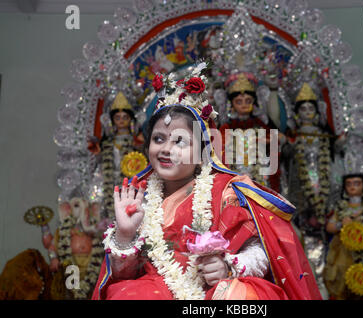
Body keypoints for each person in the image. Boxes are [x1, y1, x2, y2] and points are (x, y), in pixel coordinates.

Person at [91, 68, 321, 300]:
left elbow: (263, 252)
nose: (166, 149)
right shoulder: (139, 194)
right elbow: (124, 275)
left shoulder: (226, 191)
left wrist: (229, 266)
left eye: (180, 141)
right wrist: (125, 234)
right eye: (158, 139)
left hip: (216, 289)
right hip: (155, 291)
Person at [281, 83, 335, 299]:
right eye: (302, 110)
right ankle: (309, 288)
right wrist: (285, 143)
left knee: (323, 240)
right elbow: (284, 157)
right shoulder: (293, 138)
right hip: (300, 195)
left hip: (324, 194)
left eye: (310, 109)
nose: (307, 113)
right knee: (302, 240)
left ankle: (323, 284)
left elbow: (335, 160)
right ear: (296, 113)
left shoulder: (325, 137)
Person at [218, 72, 281, 192]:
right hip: (235, 174)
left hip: (259, 174)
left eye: (248, 101)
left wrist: (267, 142)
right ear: (232, 105)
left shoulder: (259, 124)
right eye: (239, 102)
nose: (244, 105)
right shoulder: (227, 127)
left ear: (254, 103)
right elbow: (218, 148)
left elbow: (274, 143)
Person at [88, 92, 145, 221]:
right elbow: (102, 162)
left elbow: (142, 160)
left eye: (125, 117)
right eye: (118, 117)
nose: (121, 121)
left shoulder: (135, 141)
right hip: (110, 179)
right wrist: (97, 153)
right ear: (112, 120)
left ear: (131, 119)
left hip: (130, 179)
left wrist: (140, 146)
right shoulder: (107, 142)